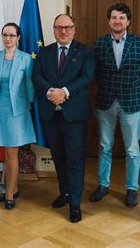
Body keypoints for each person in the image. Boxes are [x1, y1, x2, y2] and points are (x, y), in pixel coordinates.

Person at [32, 14, 95, 223]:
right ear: (53, 30)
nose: (64, 31)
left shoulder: (85, 52)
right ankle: (65, 192)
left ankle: (75, 203)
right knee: (59, 157)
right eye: (59, 27)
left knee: (75, 160)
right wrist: (51, 91)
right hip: (51, 116)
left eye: (68, 27)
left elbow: (86, 77)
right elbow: (36, 76)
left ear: (74, 29)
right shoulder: (45, 53)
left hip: (74, 116)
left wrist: (65, 92)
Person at [90, 3, 140, 207]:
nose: (118, 21)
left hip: (131, 103)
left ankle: (132, 188)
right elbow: (95, 73)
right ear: (109, 21)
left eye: (122, 18)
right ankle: (103, 185)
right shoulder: (99, 44)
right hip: (105, 102)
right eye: (114, 17)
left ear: (128, 21)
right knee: (104, 146)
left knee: (132, 149)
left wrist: (130, 89)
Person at [0, 22, 36, 210]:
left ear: (18, 37)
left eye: (12, 35)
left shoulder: (26, 59)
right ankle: (13, 188)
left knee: (12, 153)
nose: (8, 38)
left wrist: (31, 107)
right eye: (5, 34)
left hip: (17, 111)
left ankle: (9, 194)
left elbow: (29, 84)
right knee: (6, 153)